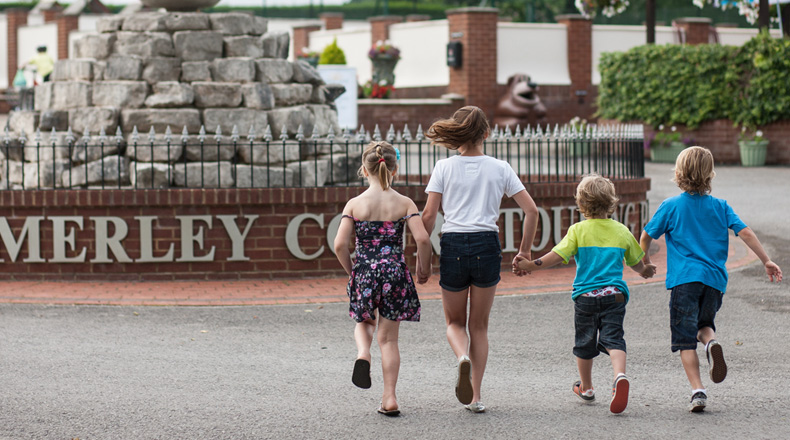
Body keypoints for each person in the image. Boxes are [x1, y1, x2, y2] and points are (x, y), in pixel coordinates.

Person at [640, 146, 782, 412]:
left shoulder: (671, 206)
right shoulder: (721, 206)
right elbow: (746, 232)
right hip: (715, 281)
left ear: (679, 173)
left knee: (684, 340)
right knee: (703, 324)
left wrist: (645, 264)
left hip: (684, 281)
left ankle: (698, 391)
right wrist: (766, 260)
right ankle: (712, 343)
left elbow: (646, 237)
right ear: (710, 174)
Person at [421, 106, 539, 413]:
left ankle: (462, 357)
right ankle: (475, 397)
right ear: (486, 134)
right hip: (487, 243)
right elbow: (532, 211)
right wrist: (524, 252)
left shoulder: (443, 168)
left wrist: (421, 256)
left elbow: (429, 215)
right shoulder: (500, 168)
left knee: (454, 322)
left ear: (456, 132)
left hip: (454, 243)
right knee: (480, 326)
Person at [513, 173, 656, 414]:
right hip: (615, 296)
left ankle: (587, 387)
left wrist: (530, 264)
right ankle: (620, 375)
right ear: (611, 202)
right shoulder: (621, 231)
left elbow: (557, 256)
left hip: (586, 297)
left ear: (581, 203)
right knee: (614, 338)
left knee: (584, 342)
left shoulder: (577, 230)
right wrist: (645, 271)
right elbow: (638, 263)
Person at [333, 140, 433, 417]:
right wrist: (424, 268)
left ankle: (363, 352)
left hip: (365, 270)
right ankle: (389, 398)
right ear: (394, 169)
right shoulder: (404, 202)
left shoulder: (354, 204)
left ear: (364, 171)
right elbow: (423, 239)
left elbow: (339, 244)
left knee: (364, 321)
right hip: (395, 273)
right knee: (389, 340)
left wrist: (352, 271)